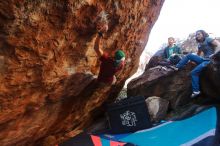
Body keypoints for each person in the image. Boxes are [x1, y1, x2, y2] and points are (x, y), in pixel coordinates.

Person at [174, 30, 220, 98]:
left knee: (194, 73)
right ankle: (177, 66)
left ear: (203, 34)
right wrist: (193, 59)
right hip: (203, 59)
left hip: (209, 60)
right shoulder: (199, 44)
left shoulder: (208, 39)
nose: (197, 36)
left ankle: (196, 91)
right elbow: (198, 54)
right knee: (189, 55)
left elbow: (218, 45)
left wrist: (214, 54)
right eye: (196, 35)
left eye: (199, 34)